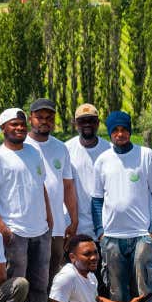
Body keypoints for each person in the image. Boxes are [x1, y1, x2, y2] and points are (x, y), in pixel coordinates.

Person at [0, 107, 53, 302]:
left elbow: (41, 185)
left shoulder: (33, 152)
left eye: (22, 124)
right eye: (14, 124)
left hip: (40, 229)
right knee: (18, 282)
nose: (19, 128)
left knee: (40, 283)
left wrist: (49, 215)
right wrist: (2, 227)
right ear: (3, 129)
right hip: (15, 231)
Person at [91, 109, 152, 302]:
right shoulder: (103, 160)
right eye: (115, 130)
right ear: (109, 132)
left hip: (141, 234)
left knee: (145, 283)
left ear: (129, 131)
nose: (120, 134)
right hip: (112, 236)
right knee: (115, 285)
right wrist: (100, 232)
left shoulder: (146, 156)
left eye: (124, 129)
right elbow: (96, 200)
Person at [25, 98, 78, 283]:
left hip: (57, 225)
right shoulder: (21, 145)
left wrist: (73, 217)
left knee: (52, 274)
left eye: (49, 117)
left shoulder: (60, 147)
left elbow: (68, 186)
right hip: (29, 226)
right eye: (39, 117)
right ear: (30, 118)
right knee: (29, 274)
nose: (44, 121)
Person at [64, 103, 110, 241]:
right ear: (75, 123)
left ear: (98, 123)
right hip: (74, 225)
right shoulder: (65, 149)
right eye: (82, 121)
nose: (87, 124)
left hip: (105, 226)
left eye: (91, 120)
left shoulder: (110, 149)